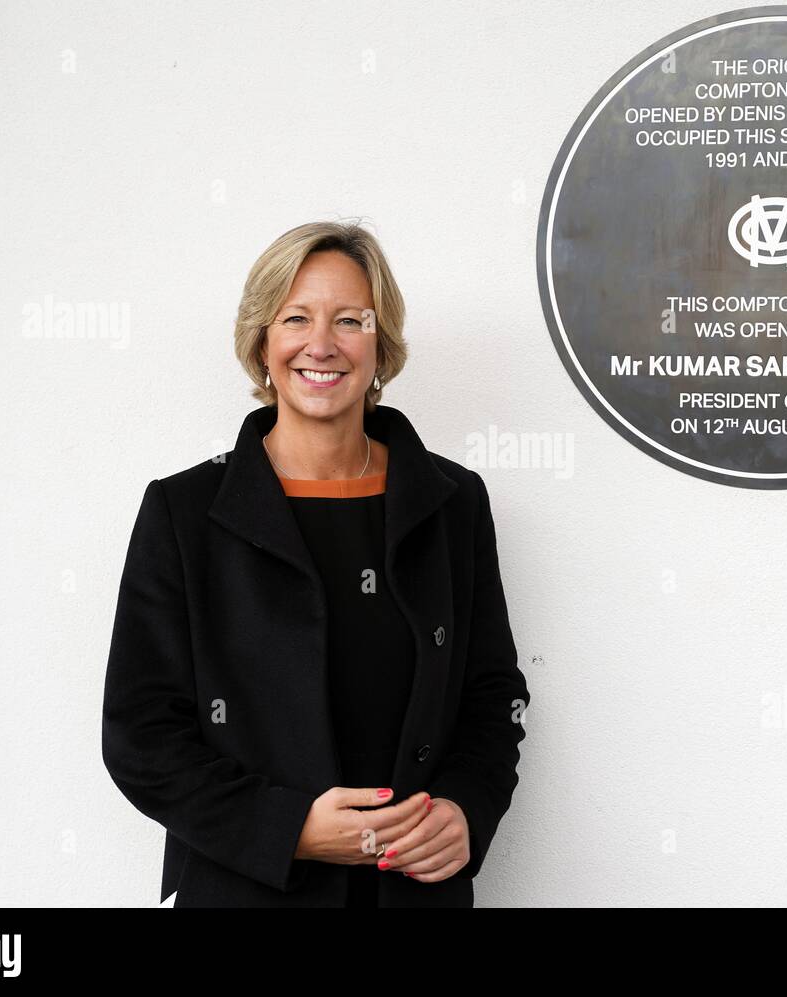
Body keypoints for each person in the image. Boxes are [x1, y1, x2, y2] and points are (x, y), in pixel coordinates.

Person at [101, 220, 529, 907]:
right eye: (295, 317)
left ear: (380, 343)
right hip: (248, 891)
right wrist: (290, 827)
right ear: (263, 343)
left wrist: (464, 811)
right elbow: (140, 735)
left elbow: (491, 694)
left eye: (350, 320)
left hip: (413, 892)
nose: (321, 343)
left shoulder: (452, 504)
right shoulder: (184, 513)